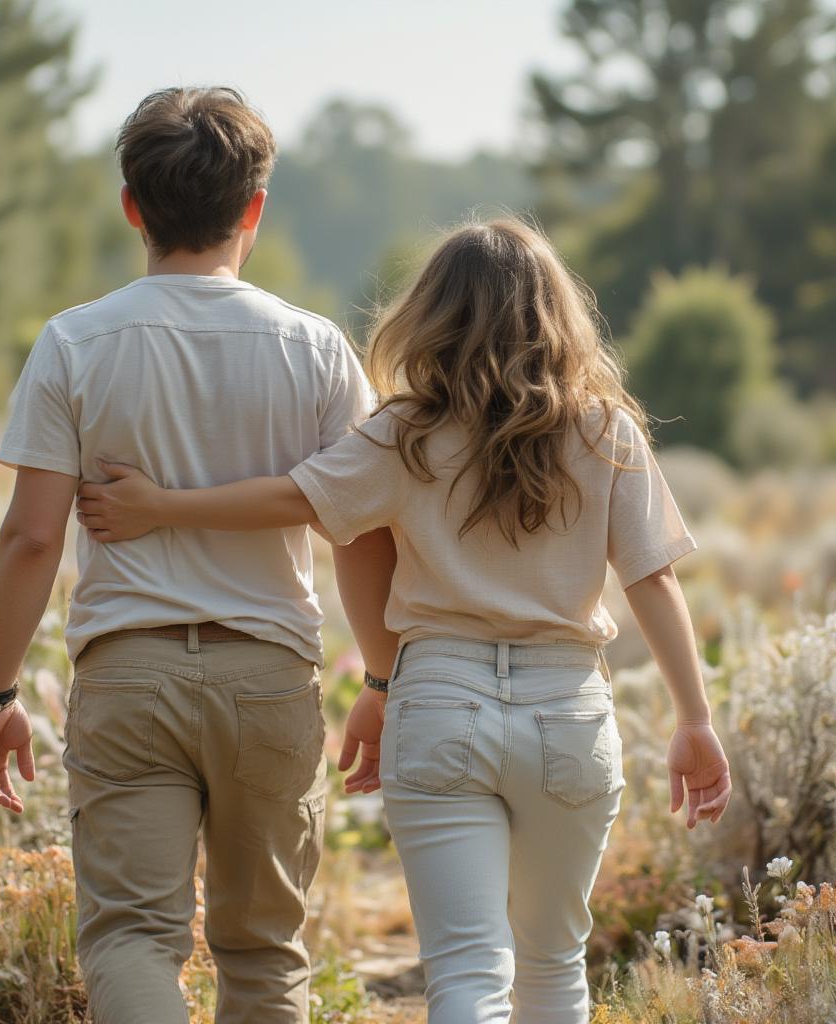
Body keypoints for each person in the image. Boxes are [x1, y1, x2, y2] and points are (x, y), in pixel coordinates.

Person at [75, 217, 733, 1024]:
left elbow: (296, 498)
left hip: (440, 701)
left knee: (465, 971)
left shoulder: (406, 432)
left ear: (434, 313)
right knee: (556, 962)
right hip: (568, 713)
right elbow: (653, 582)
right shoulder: (605, 432)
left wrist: (161, 507)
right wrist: (693, 719)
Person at [0, 86, 399, 1024]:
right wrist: (383, 681)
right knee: (264, 951)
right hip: (269, 679)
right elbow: (360, 528)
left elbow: (33, 535)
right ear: (254, 209)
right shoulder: (318, 349)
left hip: (130, 676)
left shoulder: (74, 342)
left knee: (130, 939)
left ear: (131, 205)